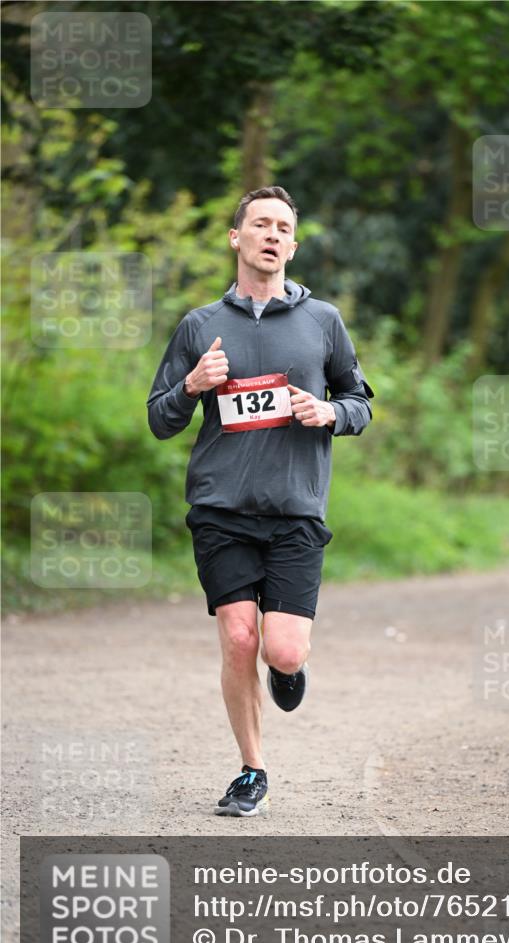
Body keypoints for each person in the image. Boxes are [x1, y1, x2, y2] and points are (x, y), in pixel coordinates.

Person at [147, 186, 373, 817]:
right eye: (261, 224)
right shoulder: (200, 326)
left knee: (282, 649)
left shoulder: (322, 321)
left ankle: (288, 669)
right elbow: (160, 419)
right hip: (220, 509)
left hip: (297, 510)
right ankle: (252, 770)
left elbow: (361, 403)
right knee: (239, 638)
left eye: (283, 228)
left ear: (293, 246)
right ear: (236, 238)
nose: (272, 235)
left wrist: (329, 410)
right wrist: (192, 386)